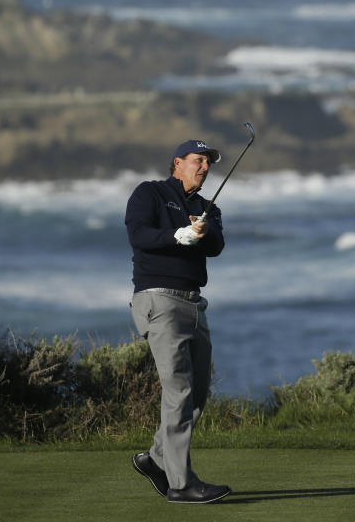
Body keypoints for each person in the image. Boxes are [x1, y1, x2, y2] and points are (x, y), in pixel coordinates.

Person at [125, 139, 232, 504]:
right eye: (198, 160)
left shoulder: (206, 207)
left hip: (193, 304)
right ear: (178, 163)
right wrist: (176, 234)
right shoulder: (150, 193)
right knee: (179, 391)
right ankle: (181, 483)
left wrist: (201, 232)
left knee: (197, 392)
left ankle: (156, 459)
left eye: (208, 163)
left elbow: (216, 245)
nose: (204, 167)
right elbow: (138, 235)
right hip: (159, 299)